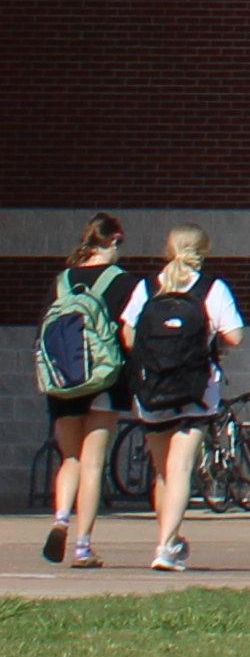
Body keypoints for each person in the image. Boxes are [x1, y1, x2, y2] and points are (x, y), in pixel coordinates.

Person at [114, 226, 244, 574]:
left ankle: (167, 539)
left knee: (163, 473)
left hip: (152, 391)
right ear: (205, 250)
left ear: (166, 249)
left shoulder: (147, 288)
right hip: (196, 393)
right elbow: (234, 336)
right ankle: (166, 546)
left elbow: (127, 336)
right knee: (181, 469)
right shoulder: (212, 289)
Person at [35, 215, 132, 567]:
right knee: (94, 463)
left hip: (63, 382)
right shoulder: (122, 282)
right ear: (113, 243)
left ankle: (60, 518)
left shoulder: (62, 281)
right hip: (105, 381)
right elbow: (129, 334)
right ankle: (83, 546)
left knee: (70, 458)